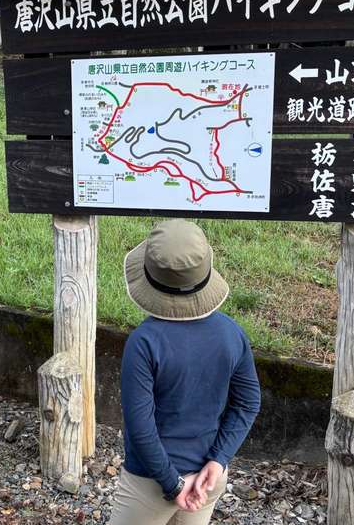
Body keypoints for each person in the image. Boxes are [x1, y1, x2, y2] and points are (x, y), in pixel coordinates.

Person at [109, 219, 261, 525]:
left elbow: (141, 427)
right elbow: (248, 402)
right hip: (208, 478)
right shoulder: (231, 333)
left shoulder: (144, 342)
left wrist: (172, 484)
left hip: (150, 484)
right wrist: (218, 460)